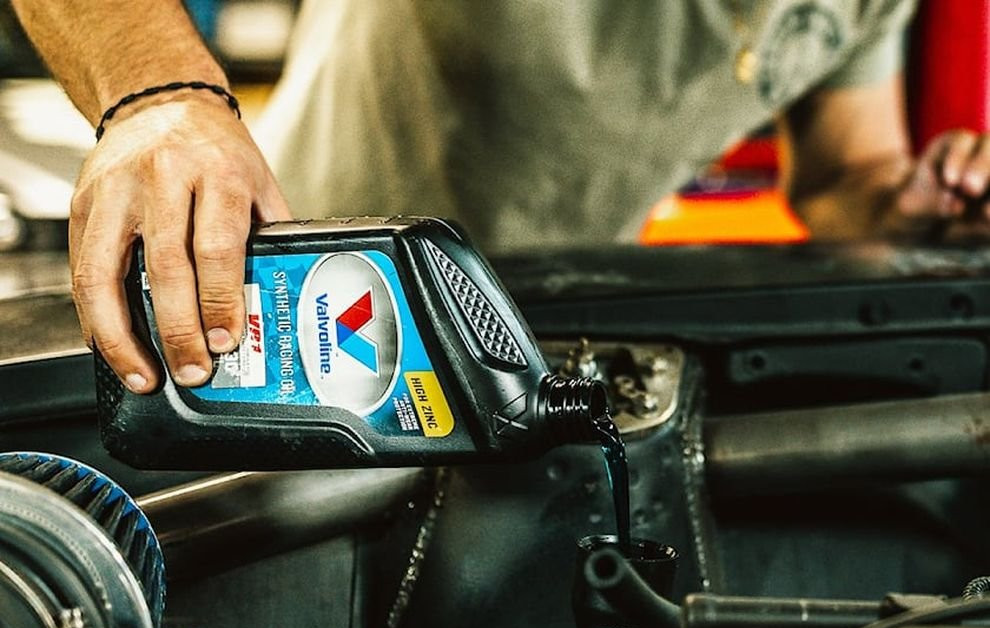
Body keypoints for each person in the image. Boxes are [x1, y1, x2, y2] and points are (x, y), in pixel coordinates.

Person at [10, 0, 990, 395]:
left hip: (539, 354)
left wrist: (913, 210)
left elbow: (844, 177)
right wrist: (160, 98)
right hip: (279, 317)